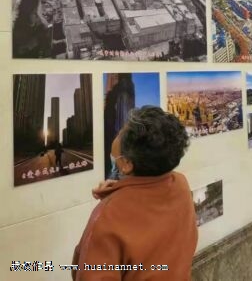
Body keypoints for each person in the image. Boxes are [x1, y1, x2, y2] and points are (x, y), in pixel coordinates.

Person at [72, 106, 198, 280]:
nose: (117, 135)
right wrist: (119, 191)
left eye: (120, 133)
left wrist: (113, 202)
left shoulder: (107, 216)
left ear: (126, 163)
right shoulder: (181, 185)